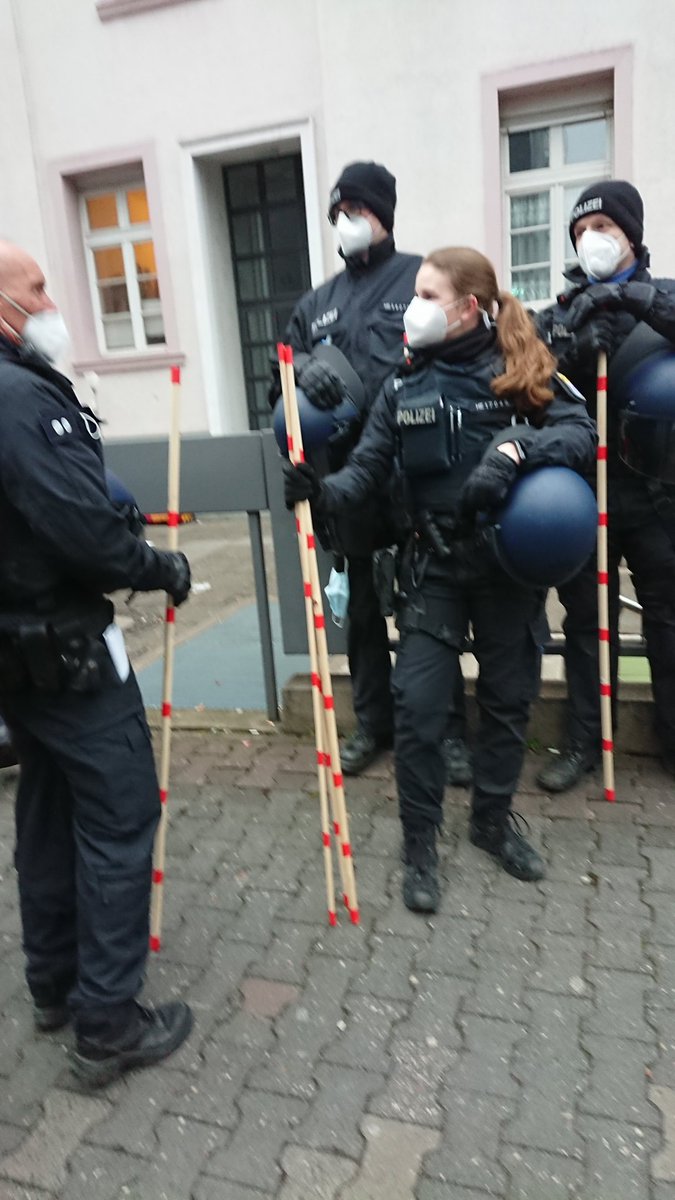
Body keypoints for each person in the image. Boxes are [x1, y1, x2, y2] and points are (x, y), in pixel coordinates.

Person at [284, 246, 596, 912]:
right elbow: (365, 469)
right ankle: (419, 843)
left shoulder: (520, 368)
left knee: (507, 704)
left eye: (428, 297)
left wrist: (516, 449)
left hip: (507, 569)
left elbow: (579, 431)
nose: (413, 308)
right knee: (419, 710)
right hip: (433, 568)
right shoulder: (403, 385)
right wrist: (321, 491)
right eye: (416, 295)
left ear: (468, 308)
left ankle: (491, 822)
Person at [0, 240, 193, 1086]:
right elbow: (81, 529)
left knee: (46, 809)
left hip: (17, 658)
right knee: (119, 816)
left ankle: (54, 982)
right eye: (37, 288)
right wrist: (159, 567)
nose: (51, 301)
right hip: (66, 651)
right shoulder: (20, 398)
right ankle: (107, 1023)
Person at [276, 161, 471, 783]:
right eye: (338, 213)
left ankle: (448, 730)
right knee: (360, 610)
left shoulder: (420, 279)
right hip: (346, 478)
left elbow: (459, 351)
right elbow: (279, 377)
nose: (346, 222)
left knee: (427, 609)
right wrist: (303, 369)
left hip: (412, 471)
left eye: (355, 210)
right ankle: (373, 724)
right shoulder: (318, 303)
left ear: (382, 213)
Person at [536, 181, 675, 791]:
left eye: (603, 227)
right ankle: (585, 742)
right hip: (584, 493)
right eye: (580, 232)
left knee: (668, 617)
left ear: (631, 235)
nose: (590, 239)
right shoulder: (564, 309)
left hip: (657, 494)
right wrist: (567, 346)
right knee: (588, 622)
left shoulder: (664, 295)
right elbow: (527, 375)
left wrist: (635, 301)